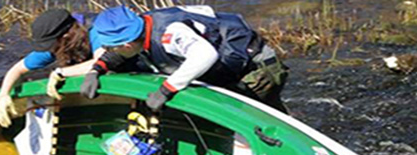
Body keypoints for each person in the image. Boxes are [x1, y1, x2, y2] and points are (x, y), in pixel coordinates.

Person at [80, 5, 289, 113]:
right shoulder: (141, 29)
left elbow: (205, 55)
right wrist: (96, 69)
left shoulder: (170, 34)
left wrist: (166, 89)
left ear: (127, 43)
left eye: (109, 46)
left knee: (262, 123)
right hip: (234, 70)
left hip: (257, 70)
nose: (107, 50)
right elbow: (121, 54)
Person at [0, 9, 126, 127]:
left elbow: (103, 62)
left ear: (65, 36)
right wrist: (3, 94)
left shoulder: (97, 30)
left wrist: (61, 72)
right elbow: (17, 69)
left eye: (50, 44)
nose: (49, 49)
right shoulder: (56, 45)